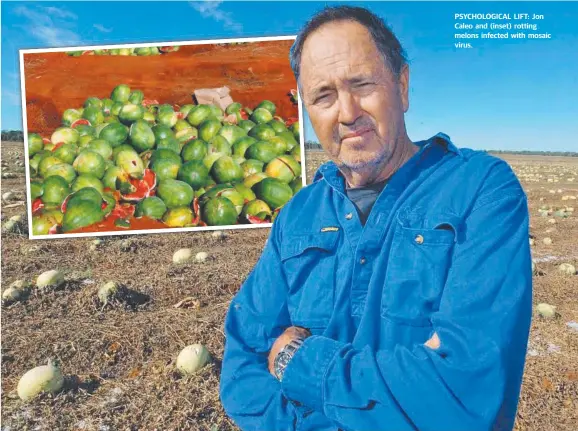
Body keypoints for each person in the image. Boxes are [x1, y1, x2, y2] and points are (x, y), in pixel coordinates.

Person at [220, 5, 533, 431]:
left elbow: (465, 391)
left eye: (362, 84)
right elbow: (243, 368)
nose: (346, 113)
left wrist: (298, 362)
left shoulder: (480, 189)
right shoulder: (298, 214)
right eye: (323, 96)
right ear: (307, 111)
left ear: (402, 87)